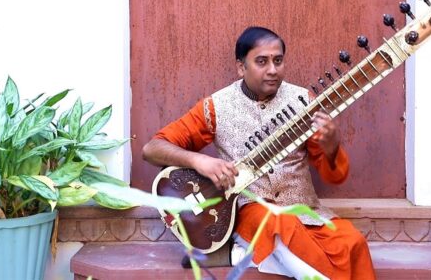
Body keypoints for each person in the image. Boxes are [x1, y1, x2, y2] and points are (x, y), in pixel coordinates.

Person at [142, 26, 376, 280]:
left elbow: (334, 176)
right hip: (253, 211)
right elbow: (152, 149)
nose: (273, 70)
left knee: (353, 243)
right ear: (241, 67)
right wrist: (199, 160)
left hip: (306, 211)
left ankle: (242, 255)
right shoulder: (216, 107)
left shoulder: (304, 102)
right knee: (279, 224)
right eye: (262, 62)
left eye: (278, 61)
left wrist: (331, 147)